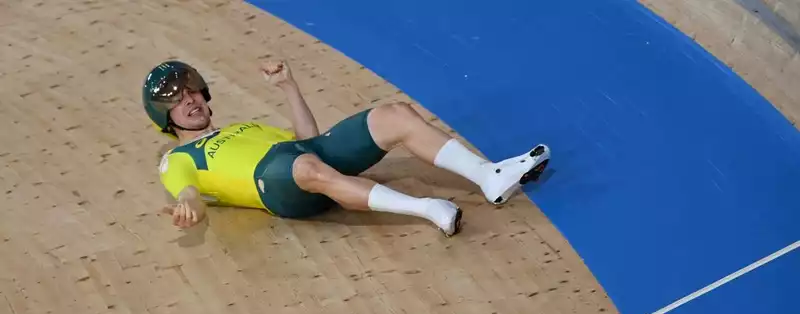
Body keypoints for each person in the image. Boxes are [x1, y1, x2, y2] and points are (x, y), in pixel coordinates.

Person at [142, 60, 550, 236]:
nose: (190, 100)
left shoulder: (246, 127)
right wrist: (189, 207)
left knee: (394, 113)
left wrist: (289, 87)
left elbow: (307, 139)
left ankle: (488, 176)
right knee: (304, 166)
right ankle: (427, 208)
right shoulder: (176, 160)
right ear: (165, 117)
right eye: (177, 100)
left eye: (192, 90)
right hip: (278, 189)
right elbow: (189, 192)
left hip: (301, 159)